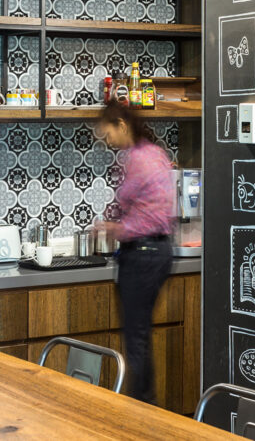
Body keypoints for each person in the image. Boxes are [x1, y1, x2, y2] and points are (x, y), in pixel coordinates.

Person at [95, 101, 175, 403]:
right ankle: (144, 407)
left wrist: (115, 229)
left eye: (109, 133)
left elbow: (148, 217)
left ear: (121, 125)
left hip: (142, 253)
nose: (108, 140)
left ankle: (142, 410)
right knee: (139, 335)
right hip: (157, 252)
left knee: (137, 338)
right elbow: (142, 204)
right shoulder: (153, 153)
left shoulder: (139, 159)